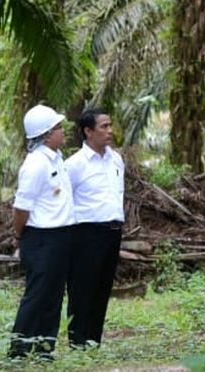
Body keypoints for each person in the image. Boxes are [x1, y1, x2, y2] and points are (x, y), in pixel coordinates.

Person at [9, 104, 72, 360]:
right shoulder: (35, 164)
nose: (62, 131)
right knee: (37, 294)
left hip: (60, 236)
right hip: (41, 238)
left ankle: (45, 348)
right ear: (46, 134)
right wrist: (18, 235)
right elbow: (21, 208)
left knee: (54, 295)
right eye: (58, 128)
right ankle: (19, 349)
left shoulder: (56, 158)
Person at [64, 108, 125, 349]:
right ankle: (77, 342)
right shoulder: (74, 165)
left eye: (110, 125)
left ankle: (93, 341)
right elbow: (64, 200)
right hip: (85, 233)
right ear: (88, 131)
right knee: (81, 288)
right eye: (104, 127)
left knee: (102, 287)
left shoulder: (116, 159)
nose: (109, 131)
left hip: (112, 231)